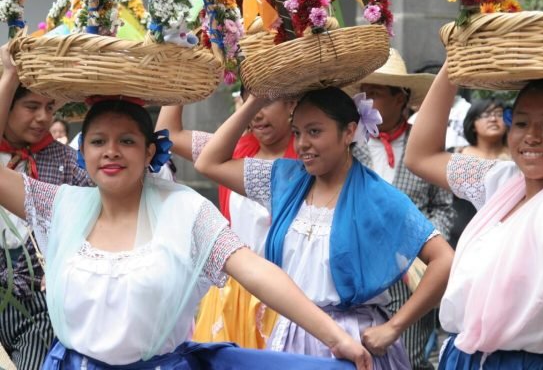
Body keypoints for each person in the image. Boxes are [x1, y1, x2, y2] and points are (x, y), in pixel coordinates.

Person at [0, 60, 371, 370]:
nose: (111, 152)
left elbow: (254, 271)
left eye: (127, 141)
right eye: (98, 141)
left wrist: (335, 336)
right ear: (83, 153)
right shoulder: (61, 205)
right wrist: (9, 76)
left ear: (149, 152)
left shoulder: (184, 209)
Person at [196, 86, 454, 369]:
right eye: (297, 132)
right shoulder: (284, 179)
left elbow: (444, 259)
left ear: (348, 132)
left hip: (352, 342)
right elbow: (209, 162)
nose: (302, 143)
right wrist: (257, 98)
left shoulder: (377, 197)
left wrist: (395, 327)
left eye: (314, 132)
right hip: (290, 333)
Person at [404, 60, 543, 369]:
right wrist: (453, 66)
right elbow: (420, 156)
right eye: (521, 122)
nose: (531, 136)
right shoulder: (507, 181)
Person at [155, 88, 296, 348]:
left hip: (285, 293)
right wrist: (181, 71)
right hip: (231, 293)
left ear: (292, 103)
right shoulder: (230, 153)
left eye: (267, 100)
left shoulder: (309, 164)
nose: (257, 113)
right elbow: (167, 134)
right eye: (248, 99)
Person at [352, 49, 454, 370]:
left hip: (414, 277)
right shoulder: (347, 143)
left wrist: (418, 248)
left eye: (377, 93)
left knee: (407, 356)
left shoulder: (426, 147)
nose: (366, 101)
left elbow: (444, 208)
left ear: (402, 99)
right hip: (358, 273)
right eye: (363, 92)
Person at [0, 51, 93, 369]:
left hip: (40, 307)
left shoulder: (65, 160)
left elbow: (98, 216)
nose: (43, 117)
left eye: (50, 107)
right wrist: (10, 77)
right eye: (31, 106)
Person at [447, 99, 511, 248]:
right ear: (473, 123)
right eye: (486, 114)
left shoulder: (520, 158)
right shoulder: (455, 156)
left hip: (506, 240)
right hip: (459, 239)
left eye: (499, 114)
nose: (493, 119)